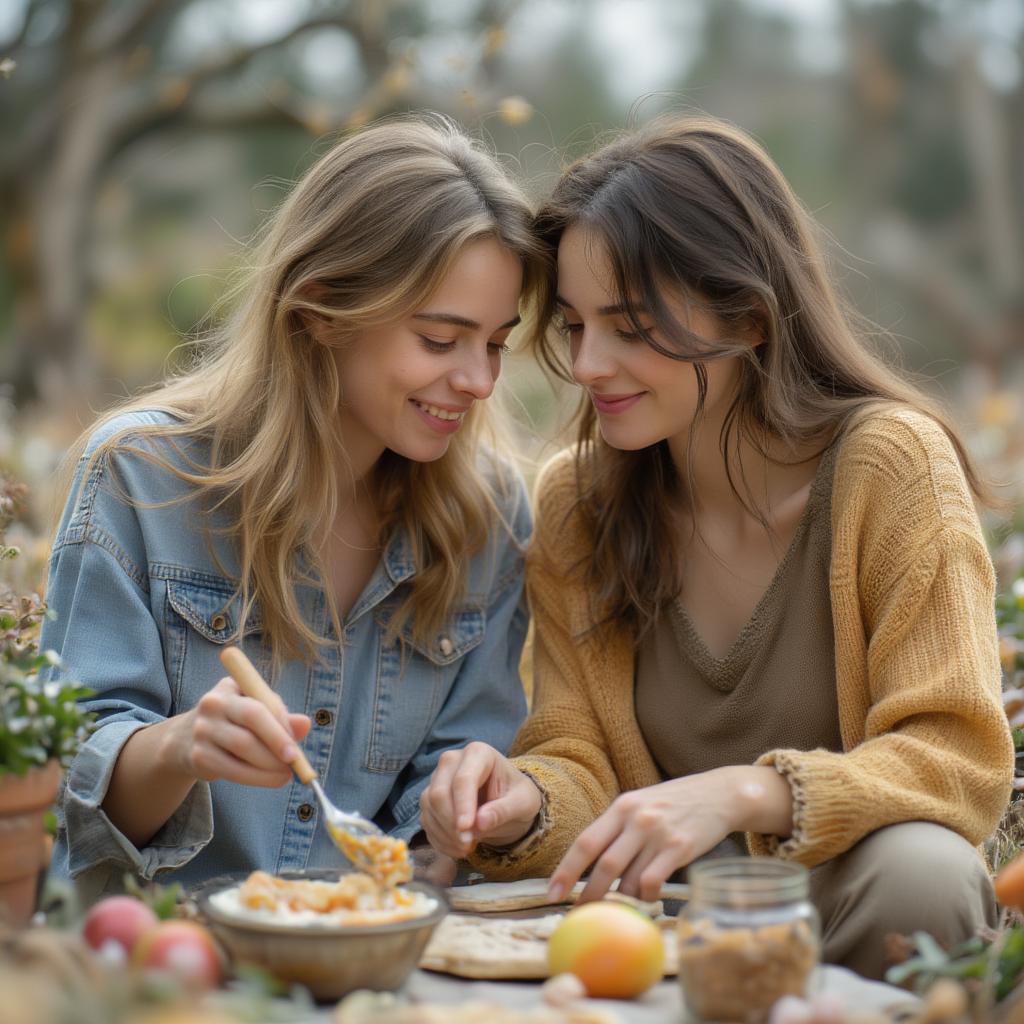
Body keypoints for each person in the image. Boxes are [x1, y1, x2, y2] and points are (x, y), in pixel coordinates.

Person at [419, 114, 1014, 979]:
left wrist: (743, 791)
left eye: (628, 326)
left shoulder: (891, 464)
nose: (586, 364)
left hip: (832, 898)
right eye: (576, 326)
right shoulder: (578, 503)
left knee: (926, 871)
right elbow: (575, 751)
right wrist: (525, 804)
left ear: (748, 316)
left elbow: (955, 757)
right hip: (647, 907)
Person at [42, 115, 548, 901]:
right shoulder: (140, 476)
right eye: (441, 341)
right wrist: (183, 749)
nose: (480, 382)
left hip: (377, 963)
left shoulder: (488, 515)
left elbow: (445, 817)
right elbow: (75, 796)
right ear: (318, 309)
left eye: (495, 343)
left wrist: (473, 805)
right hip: (161, 968)